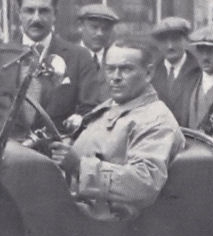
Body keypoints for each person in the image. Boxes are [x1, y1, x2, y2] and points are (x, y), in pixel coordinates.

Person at [47, 38, 184, 221]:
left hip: (110, 224)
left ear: (149, 73)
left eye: (126, 69)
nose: (115, 77)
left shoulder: (155, 119)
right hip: (82, 209)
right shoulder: (113, 106)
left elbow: (144, 184)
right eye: (110, 69)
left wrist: (80, 166)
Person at [13, 0, 106, 126]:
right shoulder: (0, 56)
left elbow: (90, 111)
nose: (36, 18)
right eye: (29, 11)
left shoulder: (79, 57)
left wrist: (69, 140)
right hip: (7, 146)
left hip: (56, 146)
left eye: (43, 11)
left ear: (55, 14)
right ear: (19, 14)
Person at [150, 16, 200, 127]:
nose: (170, 46)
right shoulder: (150, 73)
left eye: (176, 39)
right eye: (164, 41)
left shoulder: (200, 71)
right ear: (157, 44)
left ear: (186, 40)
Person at [76, 4, 120, 69]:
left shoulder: (117, 58)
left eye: (105, 28)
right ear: (80, 26)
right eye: (94, 27)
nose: (100, 33)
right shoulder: (69, 56)